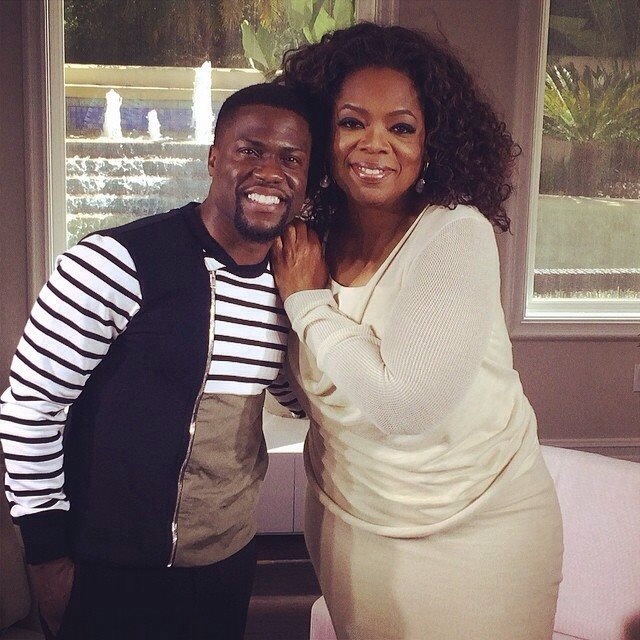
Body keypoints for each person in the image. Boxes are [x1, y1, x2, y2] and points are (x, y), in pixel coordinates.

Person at [270, 23, 563, 640]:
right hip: (348, 520)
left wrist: (306, 303)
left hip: (478, 529)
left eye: (401, 127)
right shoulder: (309, 240)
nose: (374, 143)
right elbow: (310, 390)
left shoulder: (456, 233)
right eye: (351, 122)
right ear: (322, 130)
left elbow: (404, 406)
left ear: (433, 141)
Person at [0, 82, 318, 640]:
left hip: (227, 565)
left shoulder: (286, 282)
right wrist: (46, 560)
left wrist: (311, 306)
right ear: (214, 158)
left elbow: (298, 398)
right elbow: (30, 408)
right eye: (250, 150)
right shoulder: (113, 262)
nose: (271, 172)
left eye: (290, 159)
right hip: (108, 572)